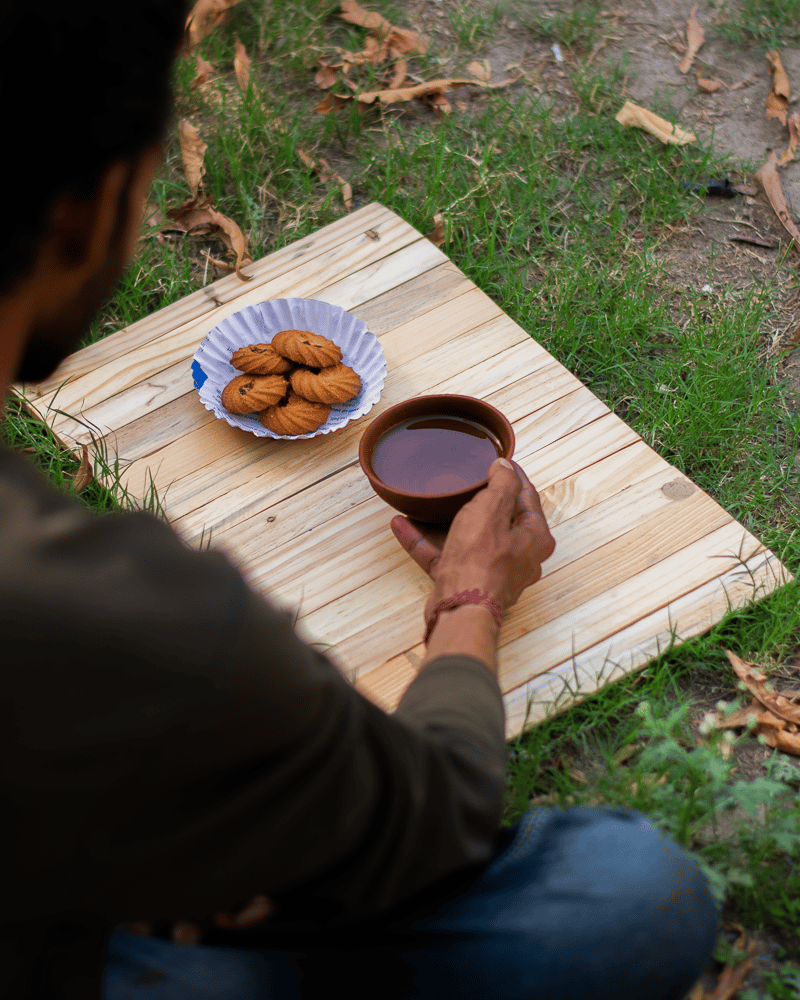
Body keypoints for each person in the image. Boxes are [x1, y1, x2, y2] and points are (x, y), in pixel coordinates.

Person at [0, 3, 719, 998]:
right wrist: (469, 603)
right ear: (88, 214)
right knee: (627, 891)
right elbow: (429, 822)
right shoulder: (122, 616)